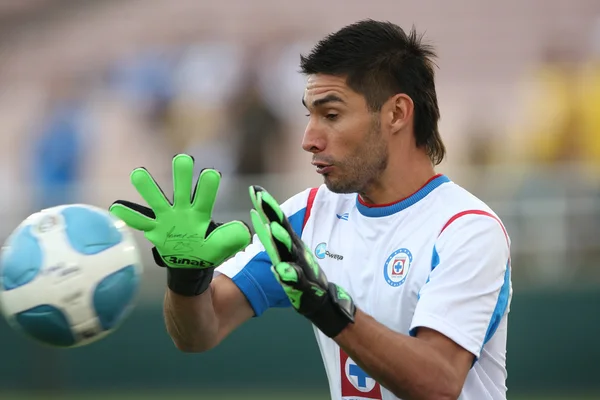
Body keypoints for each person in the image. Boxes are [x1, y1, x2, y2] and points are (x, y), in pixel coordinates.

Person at [110, 19, 512, 400]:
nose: (309, 139)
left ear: (396, 113)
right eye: (309, 115)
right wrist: (187, 277)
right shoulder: (307, 214)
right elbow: (199, 332)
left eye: (331, 115)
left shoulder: (467, 230)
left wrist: (327, 307)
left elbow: (438, 383)